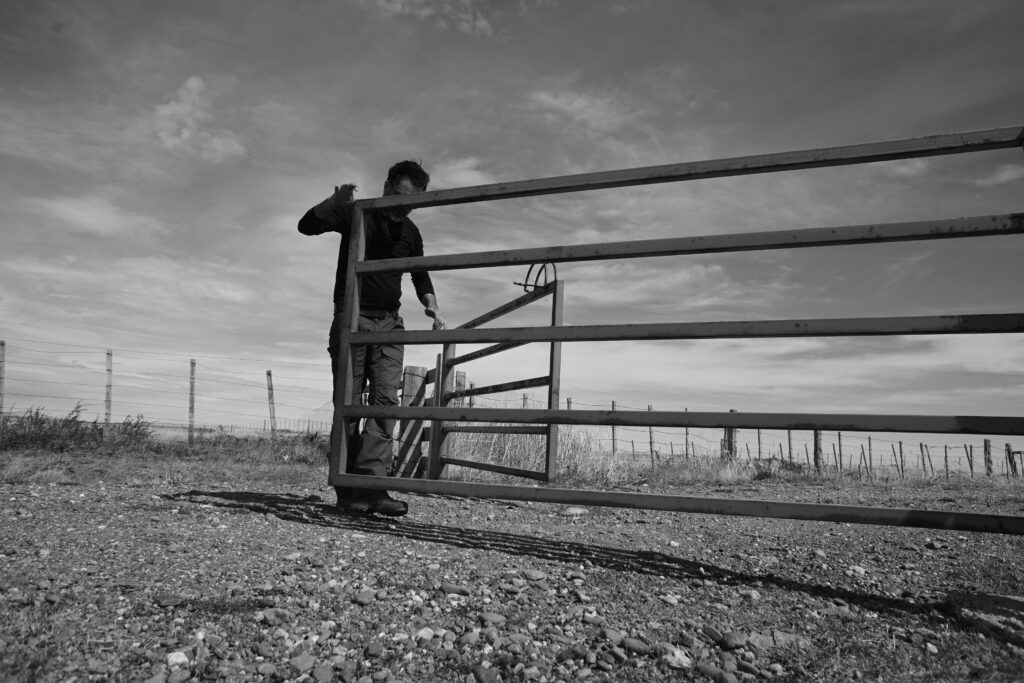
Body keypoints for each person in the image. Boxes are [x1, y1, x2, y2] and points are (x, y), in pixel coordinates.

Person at [298, 160, 446, 516]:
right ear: (387, 186)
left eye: (411, 203)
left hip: (389, 324)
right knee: (349, 403)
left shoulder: (410, 232)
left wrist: (432, 304)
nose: (403, 207)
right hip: (352, 317)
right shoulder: (357, 214)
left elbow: (419, 274)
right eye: (399, 197)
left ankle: (374, 487)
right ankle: (348, 490)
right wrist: (333, 203)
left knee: (384, 403)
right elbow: (307, 226)